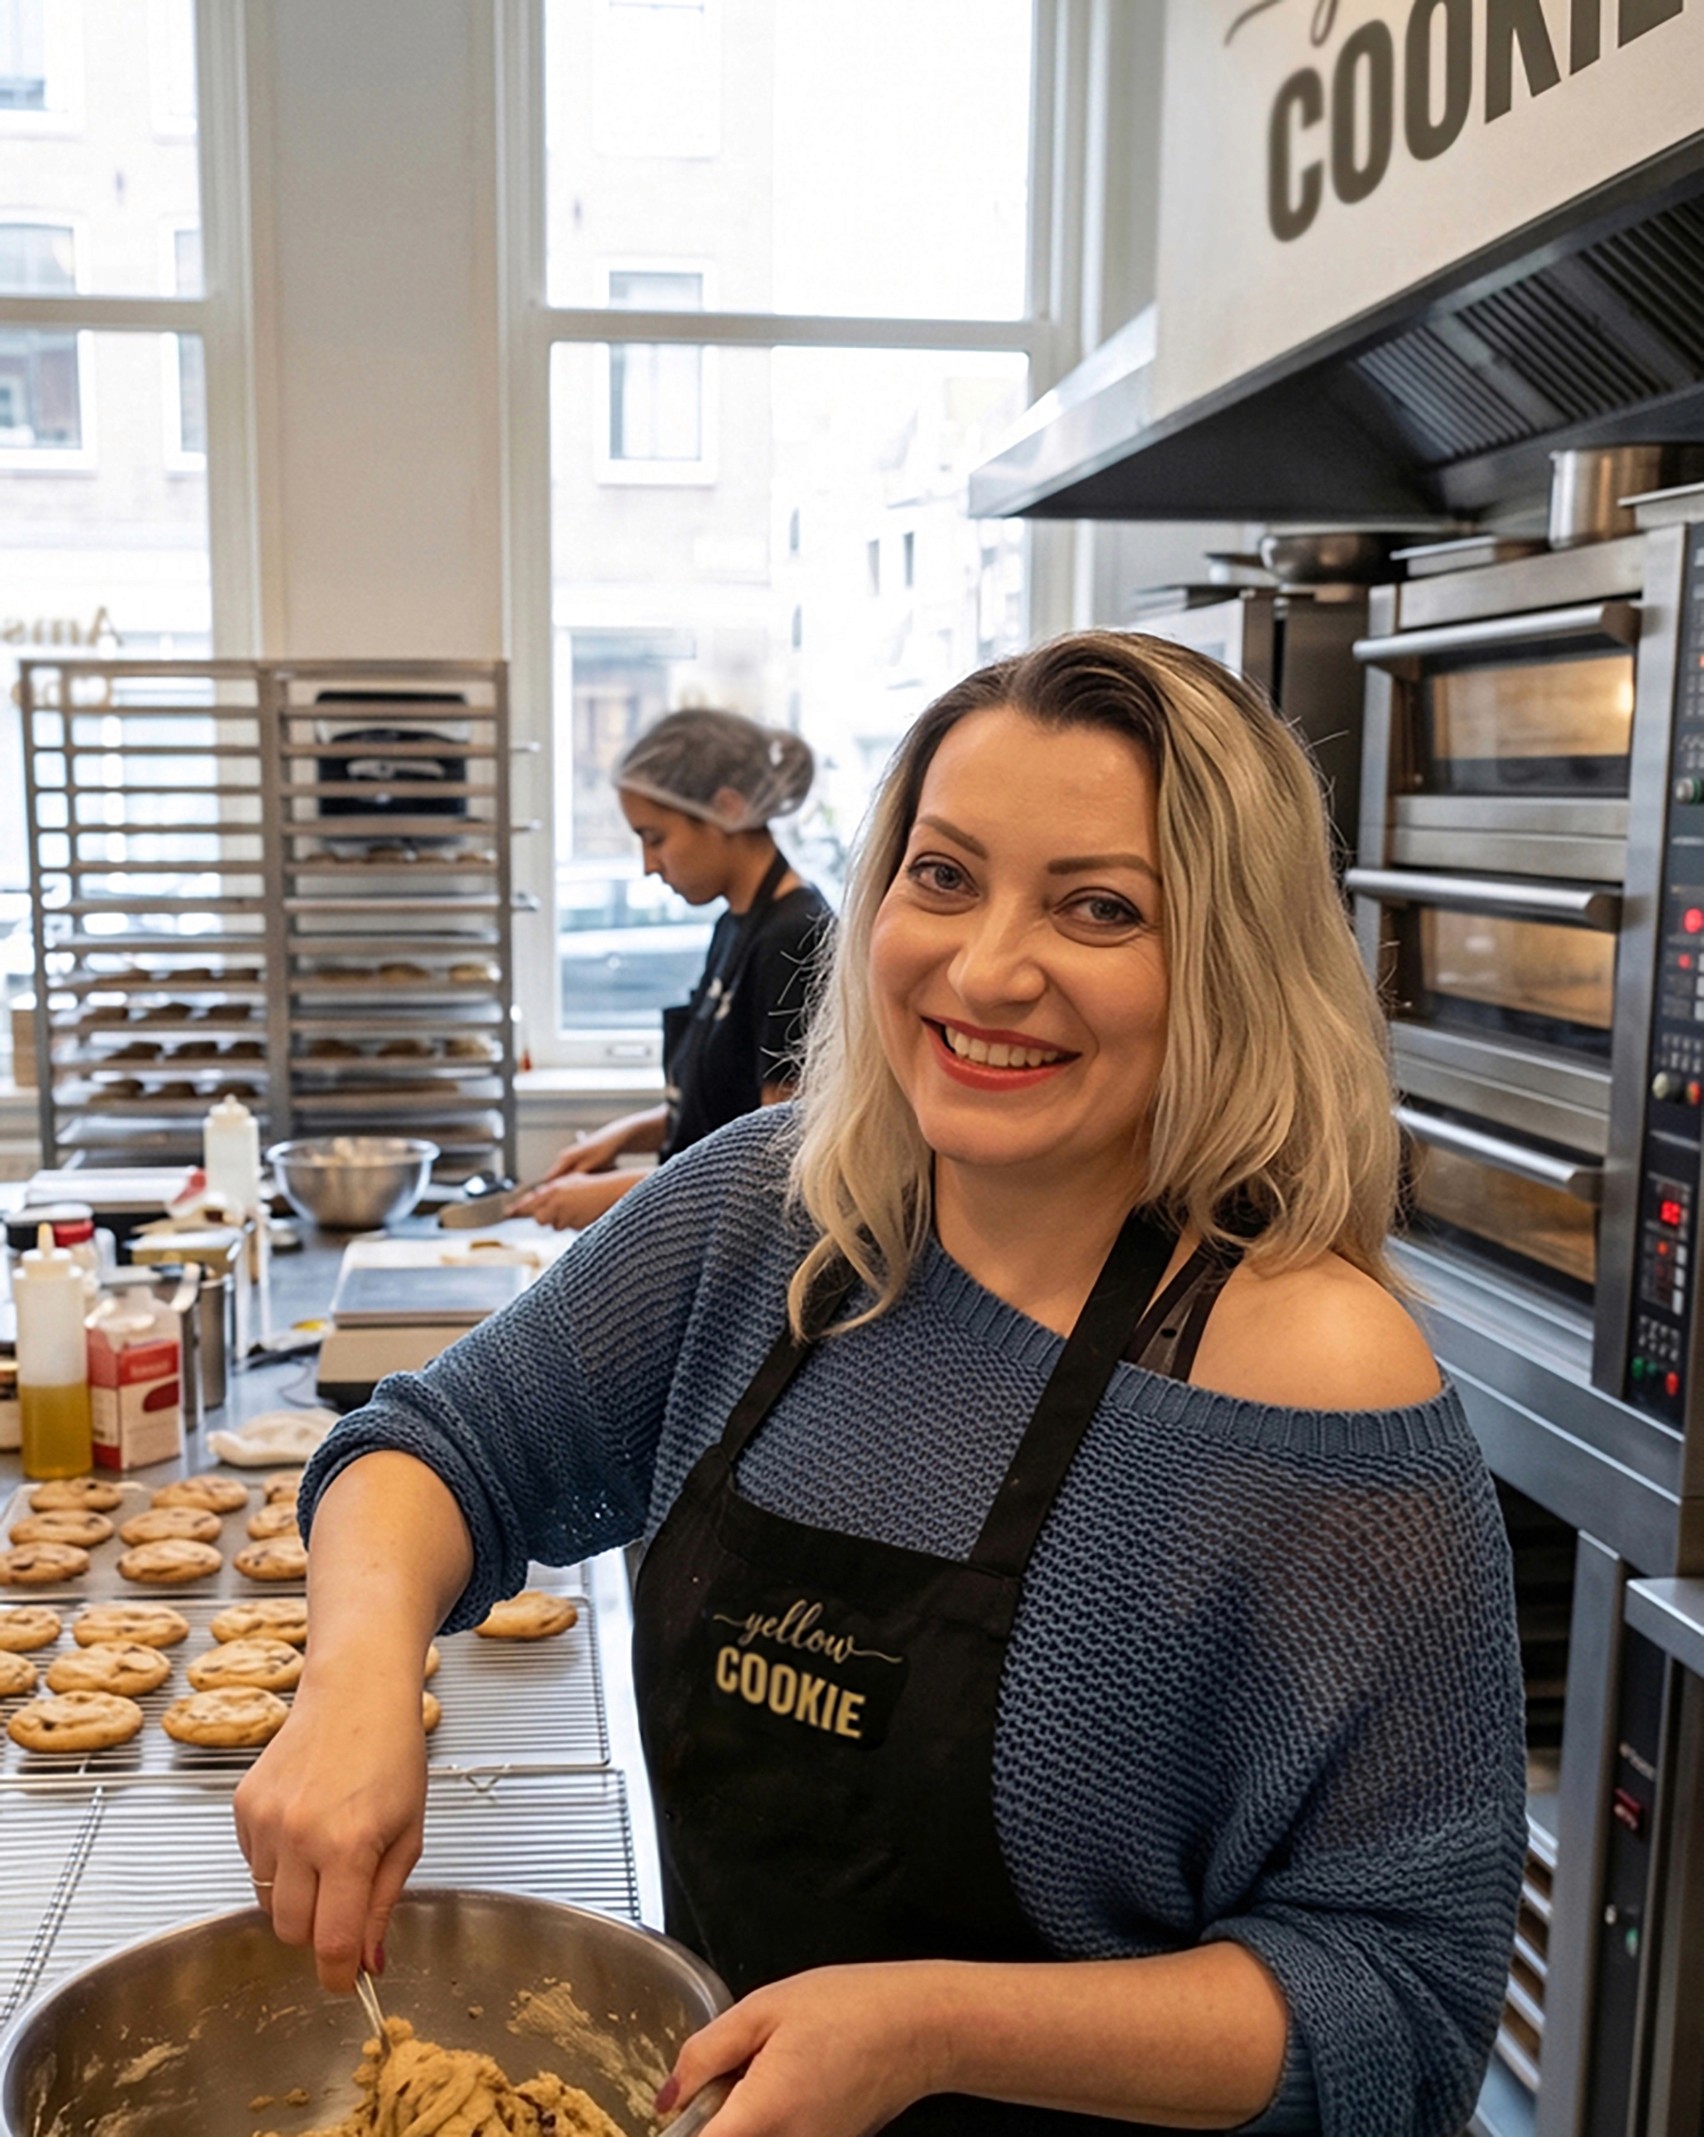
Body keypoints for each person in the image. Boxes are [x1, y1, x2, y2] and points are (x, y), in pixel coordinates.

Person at [236, 631, 1526, 2137]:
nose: (985, 967)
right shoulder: (763, 1219)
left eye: (1099, 906)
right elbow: (440, 1444)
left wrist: (925, 2030)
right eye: (944, 875)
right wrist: (354, 1678)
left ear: (1230, 962)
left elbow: (1400, 1999)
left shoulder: (1309, 1377)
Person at [509, 708, 831, 1230]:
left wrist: (619, 1195)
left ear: (726, 809)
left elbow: (781, 1157)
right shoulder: (735, 925)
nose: (648, 864)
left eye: (655, 837)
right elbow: (724, 1107)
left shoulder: (797, 938)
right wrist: (626, 1135)